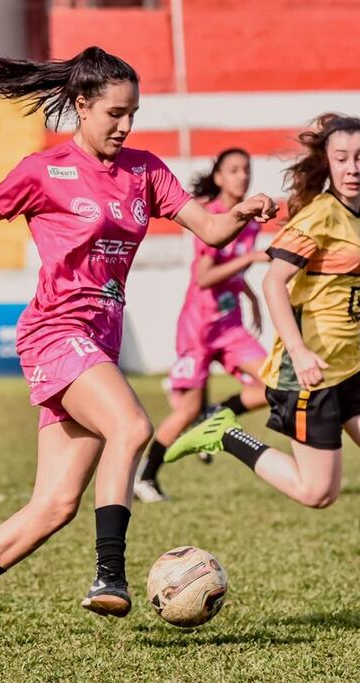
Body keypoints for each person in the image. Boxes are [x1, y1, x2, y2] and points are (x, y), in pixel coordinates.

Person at [0, 46, 276, 643]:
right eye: (115, 113)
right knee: (131, 426)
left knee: (53, 507)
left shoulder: (146, 170)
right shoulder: (44, 169)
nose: (126, 125)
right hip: (54, 333)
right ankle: (109, 576)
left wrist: (247, 211)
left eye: (134, 113)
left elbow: (212, 227)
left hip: (97, 341)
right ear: (81, 105)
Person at [163, 113, 360, 609]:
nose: (353, 168)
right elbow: (273, 282)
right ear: (327, 162)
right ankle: (224, 432)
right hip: (309, 371)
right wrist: (300, 352)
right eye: (342, 158)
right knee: (317, 493)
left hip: (351, 366)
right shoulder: (319, 216)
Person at [134, 148, 270, 503]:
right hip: (198, 328)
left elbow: (233, 271)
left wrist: (250, 295)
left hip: (230, 327)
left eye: (247, 169)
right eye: (234, 170)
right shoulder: (209, 215)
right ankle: (145, 477)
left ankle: (217, 412)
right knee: (187, 409)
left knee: (277, 383)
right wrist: (250, 259)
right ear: (220, 177)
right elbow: (206, 276)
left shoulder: (251, 222)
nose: (242, 176)